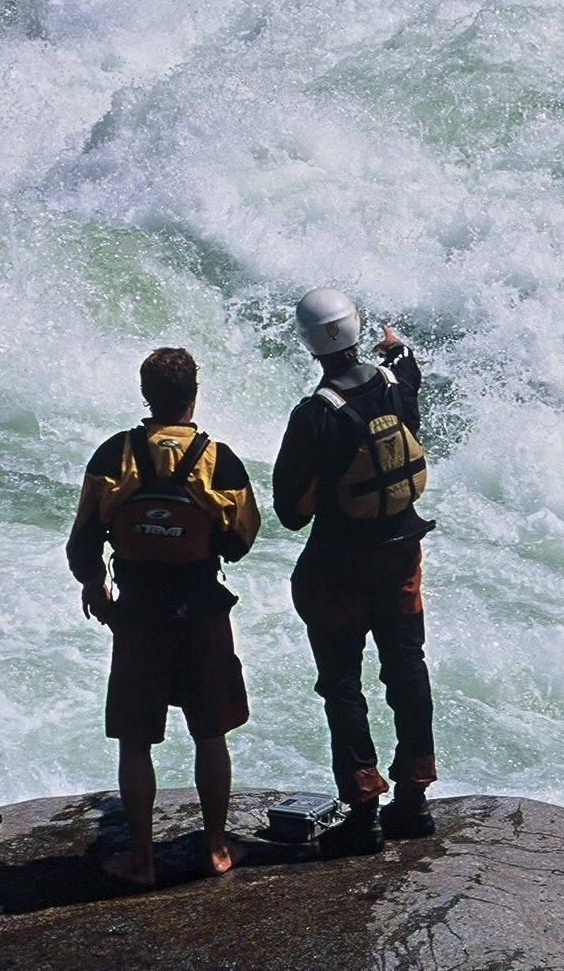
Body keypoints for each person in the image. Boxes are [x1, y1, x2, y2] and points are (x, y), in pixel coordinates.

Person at [67, 347, 261, 887]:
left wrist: (93, 581)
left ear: (146, 394)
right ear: (192, 394)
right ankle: (217, 849)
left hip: (137, 615)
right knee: (210, 734)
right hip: (201, 611)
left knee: (135, 740)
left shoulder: (115, 454)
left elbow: (84, 536)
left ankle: (142, 861)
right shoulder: (219, 459)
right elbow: (241, 540)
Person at [273, 287, 437, 854]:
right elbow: (404, 372)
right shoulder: (397, 385)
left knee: (343, 685)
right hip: (401, 556)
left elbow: (291, 513)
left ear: (309, 344)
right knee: (407, 670)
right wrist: (399, 348)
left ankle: (363, 805)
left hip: (339, 569)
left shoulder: (316, 415)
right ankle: (414, 798)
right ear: (357, 328)